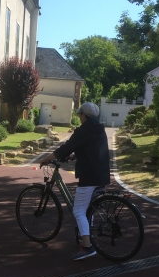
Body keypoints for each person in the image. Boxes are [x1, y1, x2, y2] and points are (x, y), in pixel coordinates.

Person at [39, 102, 110, 260]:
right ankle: (86, 236)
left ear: (84, 115)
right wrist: (75, 155)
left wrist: (46, 159)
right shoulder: (99, 128)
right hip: (102, 174)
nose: (79, 117)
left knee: (78, 210)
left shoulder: (83, 130)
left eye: (80, 115)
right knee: (88, 209)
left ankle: (87, 247)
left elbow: (65, 148)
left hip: (89, 176)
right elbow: (92, 147)